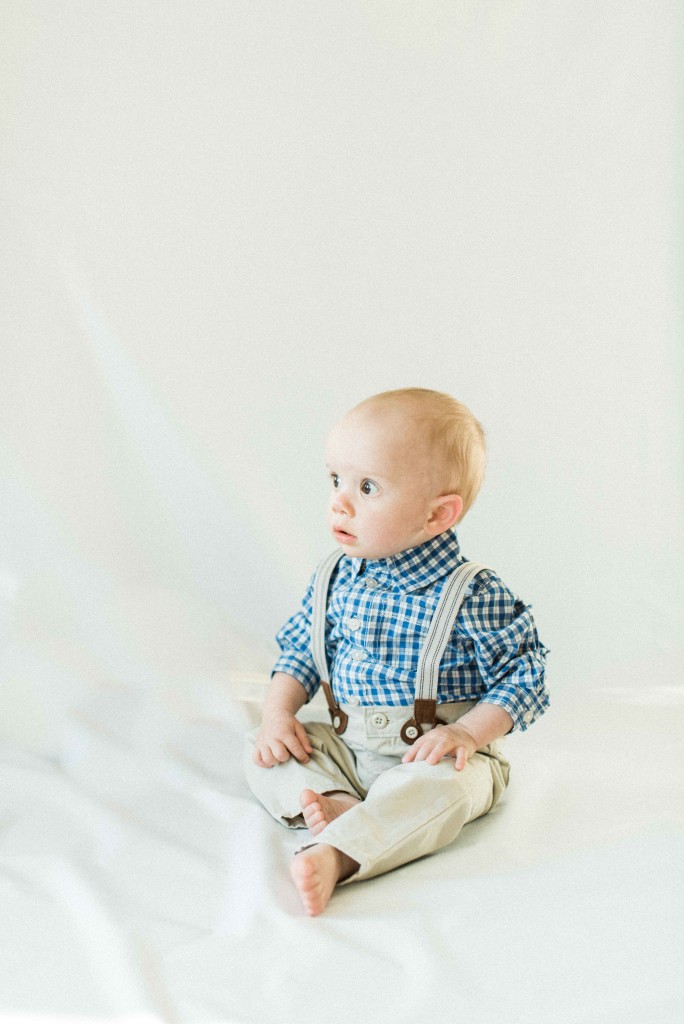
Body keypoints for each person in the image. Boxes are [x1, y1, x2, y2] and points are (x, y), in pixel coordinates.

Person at [244, 388, 549, 915]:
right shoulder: (336, 577)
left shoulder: (470, 593)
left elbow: (524, 677)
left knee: (451, 790)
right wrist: (277, 716)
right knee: (263, 748)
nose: (340, 501)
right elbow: (301, 651)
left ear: (437, 516)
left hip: (437, 751)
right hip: (347, 743)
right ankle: (339, 801)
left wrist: (467, 734)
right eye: (335, 480)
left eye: (367, 487)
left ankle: (340, 852)